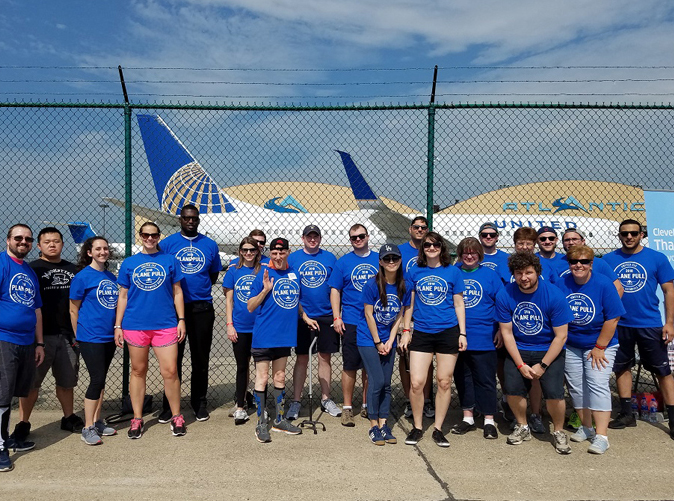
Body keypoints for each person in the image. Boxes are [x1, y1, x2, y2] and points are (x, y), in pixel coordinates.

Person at [496, 252, 574, 454]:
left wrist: (544, 365)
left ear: (537, 272)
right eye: (519, 272)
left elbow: (561, 336)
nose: (524, 277)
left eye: (528, 272)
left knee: (554, 394)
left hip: (549, 349)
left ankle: (558, 431)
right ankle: (522, 425)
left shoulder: (554, 295)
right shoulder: (506, 294)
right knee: (512, 390)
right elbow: (507, 333)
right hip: (520, 348)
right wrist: (520, 364)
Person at [114, 222, 187, 439]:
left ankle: (176, 416)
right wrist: (118, 325)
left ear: (158, 236)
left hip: (165, 324)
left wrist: (181, 320)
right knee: (138, 370)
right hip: (135, 325)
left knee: (170, 371)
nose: (149, 239)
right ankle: (137, 418)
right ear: (140, 236)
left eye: (154, 235)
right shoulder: (129, 263)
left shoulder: (169, 260)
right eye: (146, 235)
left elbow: (177, 292)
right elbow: (123, 296)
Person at [603, 219, 674, 439]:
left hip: (649, 323)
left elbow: (668, 291)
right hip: (619, 323)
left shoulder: (657, 258)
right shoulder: (608, 260)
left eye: (634, 233)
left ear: (641, 234)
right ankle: (626, 413)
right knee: (621, 368)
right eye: (624, 233)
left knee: (662, 371)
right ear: (619, 236)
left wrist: (670, 322)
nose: (629, 237)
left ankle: (672, 417)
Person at [12, 227, 82, 446]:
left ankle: (68, 417)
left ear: (62, 244)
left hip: (67, 335)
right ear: (39, 245)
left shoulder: (74, 270)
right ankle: (23, 423)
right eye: (47, 241)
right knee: (32, 383)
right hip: (39, 337)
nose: (52, 245)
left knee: (67, 381)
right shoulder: (31, 269)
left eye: (56, 241)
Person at [247, 238, 317, 443]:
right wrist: (265, 290)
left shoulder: (294, 274)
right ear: (270, 253)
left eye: (282, 252)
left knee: (279, 377)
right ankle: (261, 422)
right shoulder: (262, 273)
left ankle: (278, 419)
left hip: (284, 337)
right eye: (274, 253)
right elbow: (250, 306)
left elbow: (296, 301)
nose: (278, 257)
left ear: (287, 253)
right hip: (263, 337)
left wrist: (304, 316)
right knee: (262, 378)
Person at [556, 245, 625, 454]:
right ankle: (586, 427)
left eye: (584, 262)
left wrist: (599, 347)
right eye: (574, 262)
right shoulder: (562, 283)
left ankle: (602, 435)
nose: (579, 265)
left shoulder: (603, 284)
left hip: (601, 344)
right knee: (577, 386)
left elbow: (613, 317)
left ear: (591, 264)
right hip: (572, 344)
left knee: (597, 383)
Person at [400, 232, 466, 448]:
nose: (431, 247)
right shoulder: (414, 271)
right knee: (417, 382)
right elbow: (408, 304)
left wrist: (462, 333)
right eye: (427, 244)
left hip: (448, 331)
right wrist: (406, 330)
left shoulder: (453, 272)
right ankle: (418, 427)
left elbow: (458, 304)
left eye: (435, 244)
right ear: (423, 248)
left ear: (442, 247)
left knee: (444, 381)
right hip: (422, 332)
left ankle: (438, 429)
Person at [159, 205, 222, 422]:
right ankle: (169, 405)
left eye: (194, 218)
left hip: (201, 307)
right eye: (186, 218)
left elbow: (213, 274)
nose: (190, 222)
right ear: (180, 220)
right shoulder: (167, 244)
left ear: (198, 220)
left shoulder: (209, 244)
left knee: (200, 359)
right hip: (173, 310)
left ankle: (199, 403)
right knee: (172, 361)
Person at [0, 224, 44, 472]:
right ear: (8, 240)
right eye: (18, 238)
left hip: (27, 341)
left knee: (17, 392)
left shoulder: (28, 270)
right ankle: (0, 446)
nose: (23, 242)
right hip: (4, 338)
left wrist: (39, 343)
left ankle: (7, 437)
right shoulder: (2, 264)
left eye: (28, 239)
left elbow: (36, 309)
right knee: (2, 395)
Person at [287, 225, 342, 421]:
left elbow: (336, 287)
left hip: (326, 314)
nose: (312, 240)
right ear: (302, 238)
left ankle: (326, 398)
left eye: (315, 236)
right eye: (309, 236)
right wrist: (303, 314)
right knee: (302, 357)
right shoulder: (293, 258)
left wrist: (336, 315)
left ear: (320, 238)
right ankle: (296, 400)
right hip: (303, 316)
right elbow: (290, 287)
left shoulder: (329, 258)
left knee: (324, 357)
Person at [359, 244, 412, 445]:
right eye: (387, 259)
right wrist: (378, 342)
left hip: (388, 339)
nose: (391, 262)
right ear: (380, 261)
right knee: (377, 381)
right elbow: (368, 314)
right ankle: (373, 425)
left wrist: (391, 339)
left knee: (387, 383)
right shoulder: (372, 284)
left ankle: (383, 423)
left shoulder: (403, 285)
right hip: (368, 339)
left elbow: (400, 314)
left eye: (395, 258)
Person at [452, 237, 504, 440]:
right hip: (459, 337)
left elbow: (502, 303)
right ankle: (468, 417)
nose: (469, 255)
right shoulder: (453, 272)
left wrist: (500, 328)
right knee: (463, 378)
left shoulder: (490, 275)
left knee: (486, 379)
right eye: (465, 252)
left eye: (473, 252)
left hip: (485, 336)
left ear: (479, 254)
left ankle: (489, 419)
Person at [69, 237, 119, 445]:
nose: (103, 252)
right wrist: (78, 336)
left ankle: (97, 421)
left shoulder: (111, 276)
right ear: (89, 252)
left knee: (101, 380)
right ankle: (87, 427)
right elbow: (73, 309)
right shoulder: (82, 277)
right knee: (96, 379)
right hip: (90, 336)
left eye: (106, 248)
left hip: (108, 336)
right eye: (98, 249)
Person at [329, 224, 379, 426]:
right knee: (350, 366)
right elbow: (335, 290)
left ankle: (367, 405)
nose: (357, 240)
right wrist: (336, 317)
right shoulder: (344, 262)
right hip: (351, 320)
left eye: (361, 236)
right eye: (353, 238)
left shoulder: (379, 259)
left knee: (369, 366)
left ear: (367, 236)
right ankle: (348, 407)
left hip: (375, 322)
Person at [397, 217, 435, 419]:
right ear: (410, 229)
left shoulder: (432, 250)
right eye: (417, 227)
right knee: (405, 357)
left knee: (425, 360)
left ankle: (426, 399)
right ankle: (409, 399)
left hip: (426, 313)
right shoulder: (401, 251)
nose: (420, 230)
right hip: (404, 310)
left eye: (423, 228)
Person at [223, 237, 262, 425]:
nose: (248, 253)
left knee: (261, 368)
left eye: (252, 250)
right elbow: (229, 300)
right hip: (240, 326)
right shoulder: (233, 271)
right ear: (240, 251)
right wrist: (230, 324)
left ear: (257, 251)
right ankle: (240, 406)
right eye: (245, 250)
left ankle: (261, 405)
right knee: (242, 366)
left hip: (260, 326)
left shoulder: (263, 270)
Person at [559, 228, 624, 295]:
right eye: (567, 240)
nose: (571, 243)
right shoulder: (558, 264)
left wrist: (609, 304)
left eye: (574, 239)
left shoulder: (599, 263)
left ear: (583, 241)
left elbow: (618, 288)